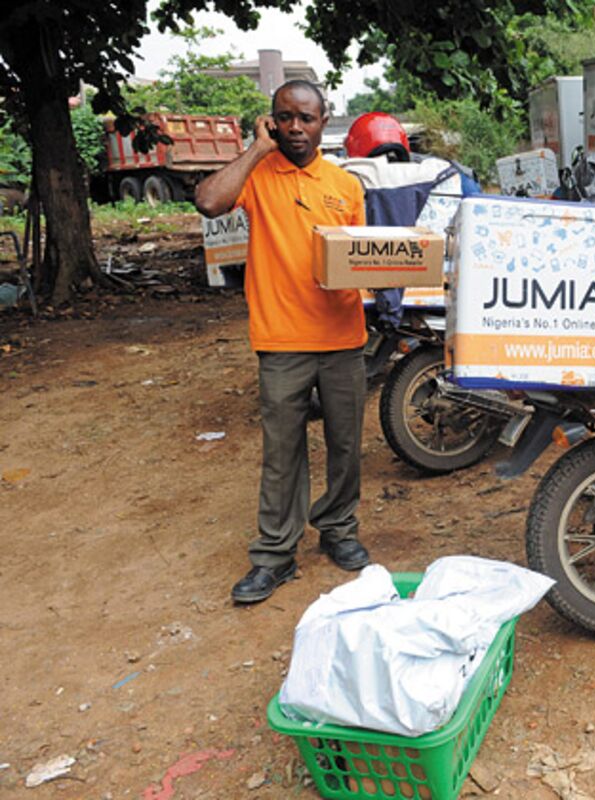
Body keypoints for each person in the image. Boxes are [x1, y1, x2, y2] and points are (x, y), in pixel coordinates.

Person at [195, 79, 371, 604]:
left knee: (345, 446)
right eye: (285, 117)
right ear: (271, 121)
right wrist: (256, 149)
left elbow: (364, 260)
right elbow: (208, 202)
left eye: (307, 118)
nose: (296, 127)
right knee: (283, 453)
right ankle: (275, 555)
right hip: (281, 340)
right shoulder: (256, 175)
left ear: (324, 121)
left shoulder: (346, 185)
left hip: (342, 337)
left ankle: (339, 529)